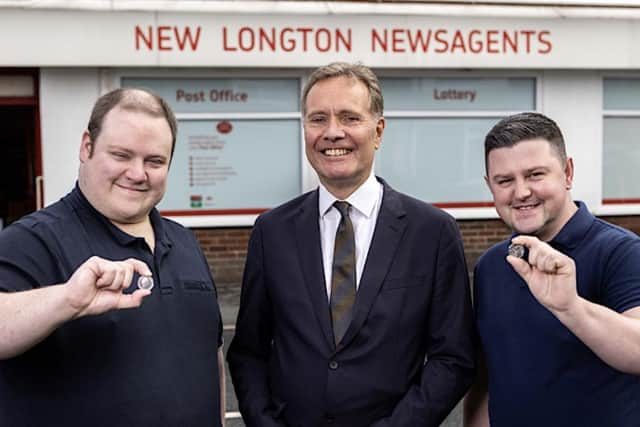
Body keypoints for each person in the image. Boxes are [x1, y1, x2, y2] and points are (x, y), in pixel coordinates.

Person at [227, 62, 475, 427]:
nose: (332, 132)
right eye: (317, 119)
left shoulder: (432, 233)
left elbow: (452, 358)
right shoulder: (271, 231)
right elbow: (249, 351)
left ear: (378, 131)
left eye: (349, 118)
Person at [0, 88, 226, 427]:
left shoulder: (184, 242)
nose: (137, 173)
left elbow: (211, 354)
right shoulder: (31, 239)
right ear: (86, 147)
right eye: (121, 155)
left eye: (154, 161)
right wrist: (66, 300)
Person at [464, 112, 640, 427]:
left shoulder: (620, 251)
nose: (520, 192)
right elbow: (487, 377)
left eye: (535, 175)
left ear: (567, 172)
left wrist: (571, 307)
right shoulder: (491, 266)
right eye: (505, 180)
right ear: (489, 185)